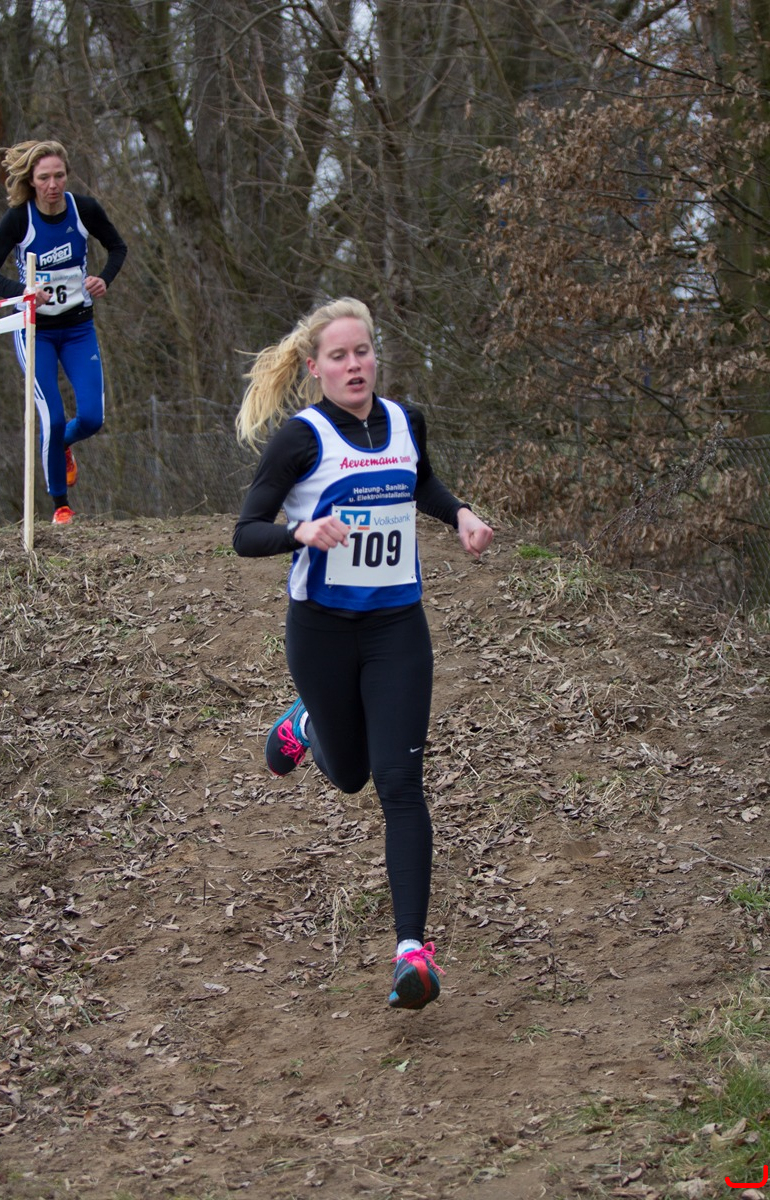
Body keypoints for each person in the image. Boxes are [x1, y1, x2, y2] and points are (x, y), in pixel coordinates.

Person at [233, 297, 494, 1011]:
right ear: (314, 368)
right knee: (349, 775)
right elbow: (245, 532)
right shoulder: (301, 438)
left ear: (376, 356)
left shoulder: (406, 421)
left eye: (363, 352)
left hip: (396, 630)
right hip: (321, 631)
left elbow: (422, 482)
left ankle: (413, 952)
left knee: (399, 784)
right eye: (339, 356)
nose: (354, 365)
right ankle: (308, 722)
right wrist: (300, 533)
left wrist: (460, 514)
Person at [0, 139, 127, 525]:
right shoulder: (18, 219)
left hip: (78, 328)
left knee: (92, 418)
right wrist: (23, 292)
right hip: (35, 332)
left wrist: (103, 279)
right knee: (53, 418)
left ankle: (61, 446)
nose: (53, 184)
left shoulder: (84, 210)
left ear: (67, 175)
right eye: (44, 178)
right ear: (32, 180)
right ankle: (61, 506)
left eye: (59, 175)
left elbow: (117, 247)